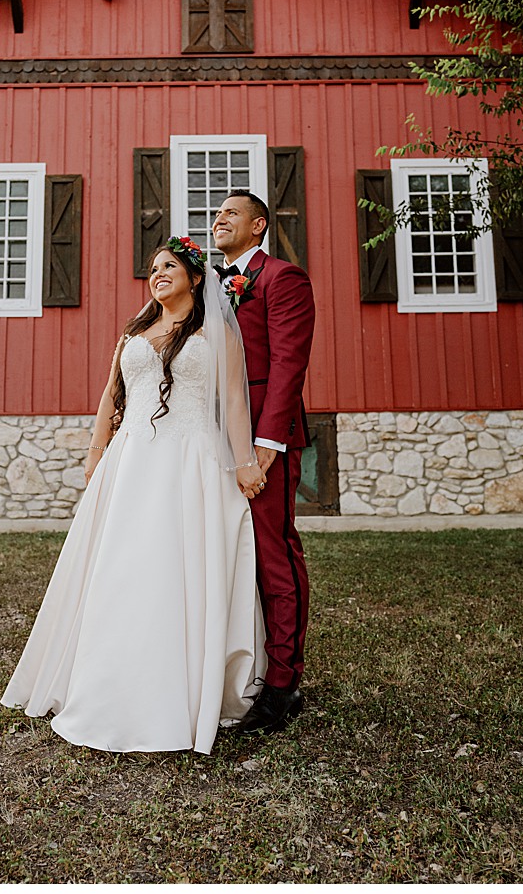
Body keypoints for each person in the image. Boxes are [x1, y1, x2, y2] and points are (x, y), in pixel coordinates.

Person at [1, 238, 266, 753]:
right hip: (130, 462)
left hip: (191, 463)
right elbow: (111, 395)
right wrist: (95, 451)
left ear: (194, 277)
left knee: (178, 568)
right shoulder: (135, 333)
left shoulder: (215, 333)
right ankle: (109, 682)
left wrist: (245, 461)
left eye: (169, 266)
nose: (158, 274)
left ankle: (184, 688)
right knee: (121, 567)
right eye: (152, 269)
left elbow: (234, 399)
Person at [212, 191, 317, 735]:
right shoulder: (208, 283)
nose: (218, 218)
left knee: (273, 554)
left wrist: (268, 442)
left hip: (259, 438)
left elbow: (288, 362)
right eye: (215, 212)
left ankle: (283, 685)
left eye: (231, 212)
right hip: (210, 439)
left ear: (259, 226)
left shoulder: (282, 278)